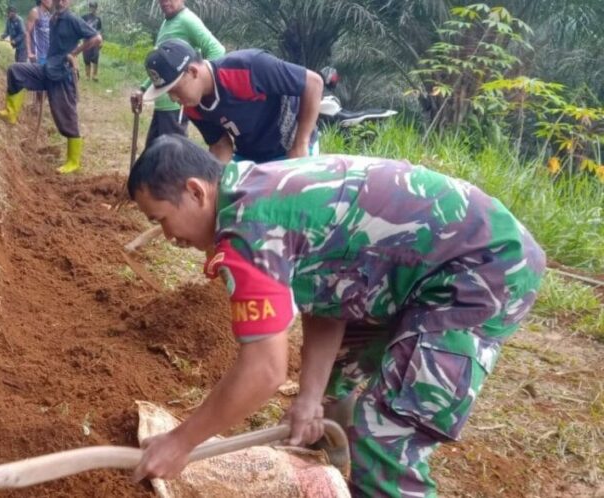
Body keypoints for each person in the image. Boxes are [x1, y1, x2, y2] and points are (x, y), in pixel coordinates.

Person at [126, 135, 546, 497]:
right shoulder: (254, 190)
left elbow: (264, 371)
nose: (168, 237)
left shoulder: (249, 230)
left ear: (197, 192)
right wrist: (309, 397)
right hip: (421, 269)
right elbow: (329, 296)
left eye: (161, 219)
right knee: (320, 403)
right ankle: (335, 476)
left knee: (386, 434)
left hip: (479, 271)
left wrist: (181, 442)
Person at [142, 39, 323, 164]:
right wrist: (213, 180)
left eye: (175, 90)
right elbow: (221, 145)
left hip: (291, 150)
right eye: (168, 93)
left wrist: (300, 144)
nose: (174, 98)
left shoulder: (249, 67)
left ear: (193, 72)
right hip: (250, 156)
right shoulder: (193, 106)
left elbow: (313, 83)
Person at [0, 0, 102, 174]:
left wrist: (74, 53)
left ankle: (73, 161)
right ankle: (11, 113)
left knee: (66, 117)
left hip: (62, 75)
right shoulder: (53, 19)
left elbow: (96, 38)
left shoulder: (72, 19)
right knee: (16, 71)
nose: (60, 1)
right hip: (47, 69)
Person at [130, 0, 224, 148]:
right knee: (152, 160)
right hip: (163, 105)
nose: (164, 2)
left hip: (175, 107)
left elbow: (217, 51)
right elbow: (164, 68)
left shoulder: (187, 20)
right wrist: (143, 89)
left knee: (171, 164)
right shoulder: (168, 22)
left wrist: (199, 84)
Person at [81, 2, 103, 81]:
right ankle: (87, 75)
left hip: (95, 40)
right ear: (89, 8)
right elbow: (80, 27)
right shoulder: (84, 17)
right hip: (86, 40)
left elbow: (100, 31)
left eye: (94, 7)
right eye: (91, 7)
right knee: (86, 58)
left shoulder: (98, 19)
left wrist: (101, 41)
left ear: (96, 8)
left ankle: (95, 75)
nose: (92, 9)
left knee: (95, 57)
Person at [26, 0, 52, 65]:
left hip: (47, 56)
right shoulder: (35, 12)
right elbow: (27, 32)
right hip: (37, 56)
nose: (52, 1)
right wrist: (29, 52)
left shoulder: (49, 15)